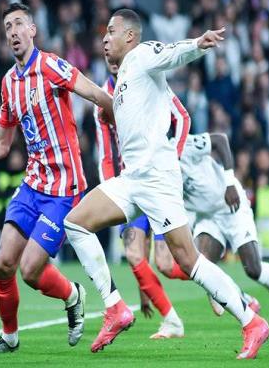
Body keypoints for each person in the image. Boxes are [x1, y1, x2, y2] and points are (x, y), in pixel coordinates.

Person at [63, 8, 269, 359]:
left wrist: (198, 43)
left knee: (187, 261)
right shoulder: (123, 77)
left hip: (158, 178)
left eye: (111, 31)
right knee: (76, 223)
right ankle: (115, 308)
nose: (105, 38)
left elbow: (172, 53)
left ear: (130, 36)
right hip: (132, 178)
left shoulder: (142, 55)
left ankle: (252, 322)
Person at [0, 2, 115, 354]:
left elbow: (96, 93)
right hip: (34, 183)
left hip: (64, 187)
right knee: (3, 262)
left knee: (31, 271)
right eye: (8, 27)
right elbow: (2, 144)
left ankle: (73, 295)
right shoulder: (8, 83)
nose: (14, 31)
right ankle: (9, 337)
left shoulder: (50, 65)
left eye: (19, 24)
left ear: (32, 30)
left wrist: (113, 118)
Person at [94, 61, 187, 339]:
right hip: (129, 186)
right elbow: (106, 155)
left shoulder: (148, 76)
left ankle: (218, 287)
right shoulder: (102, 97)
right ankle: (171, 320)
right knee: (134, 254)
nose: (110, 53)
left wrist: (173, 158)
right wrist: (111, 192)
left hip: (157, 181)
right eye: (105, 44)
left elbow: (182, 117)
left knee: (167, 264)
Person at [169, 132, 269, 327]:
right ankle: (244, 299)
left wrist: (229, 182)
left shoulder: (181, 146)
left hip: (231, 204)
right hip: (207, 216)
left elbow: (220, 140)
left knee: (253, 269)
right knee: (201, 264)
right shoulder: (155, 170)